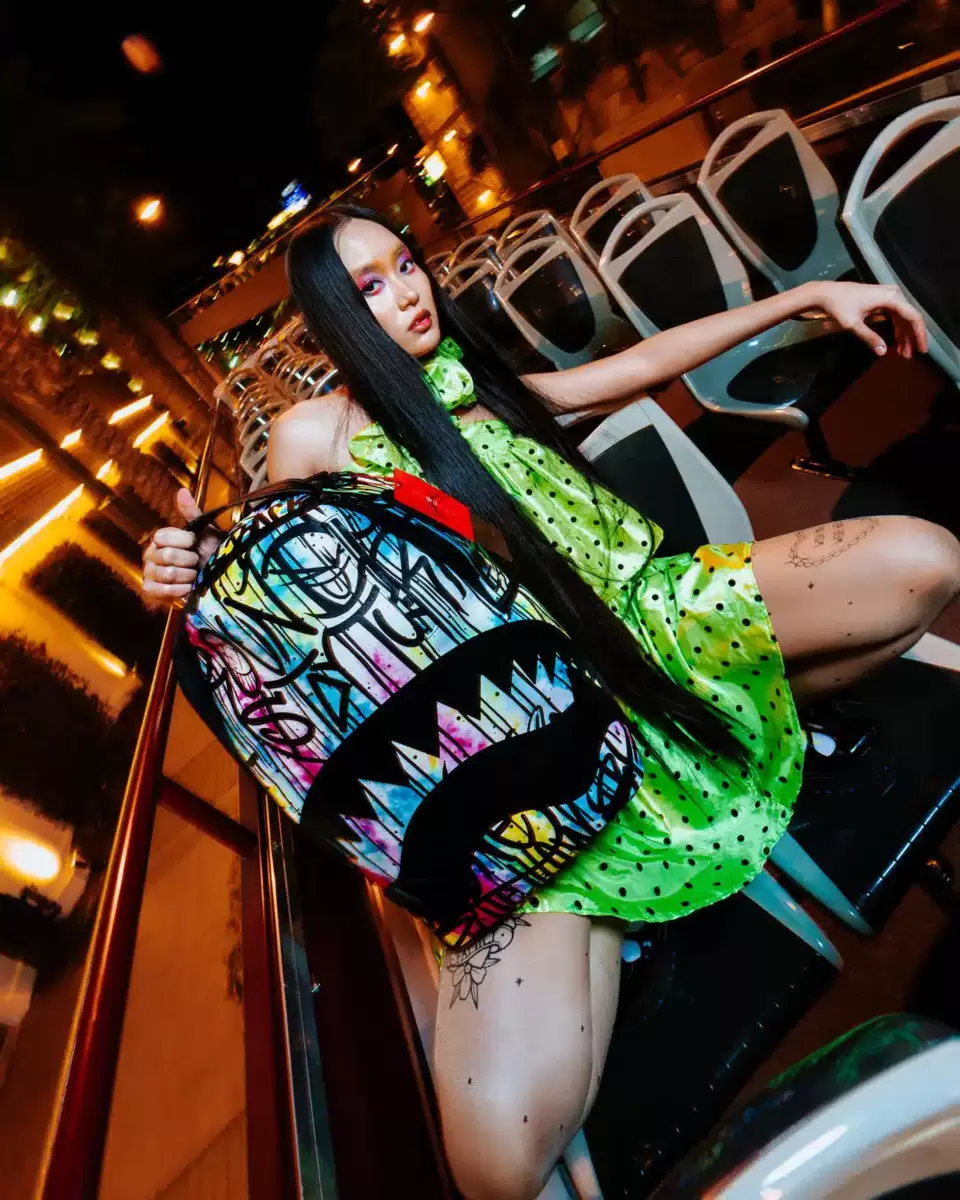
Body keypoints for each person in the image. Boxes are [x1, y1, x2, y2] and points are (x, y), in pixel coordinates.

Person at [145, 206, 960, 1200]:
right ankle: (627, 887)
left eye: (406, 264)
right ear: (332, 319)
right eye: (370, 287)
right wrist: (191, 565)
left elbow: (640, 362)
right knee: (496, 1162)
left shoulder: (475, 379)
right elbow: (287, 591)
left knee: (924, 560)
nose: (407, 293)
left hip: (659, 619)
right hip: (541, 736)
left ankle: (736, 722)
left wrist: (808, 296)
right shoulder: (317, 434)